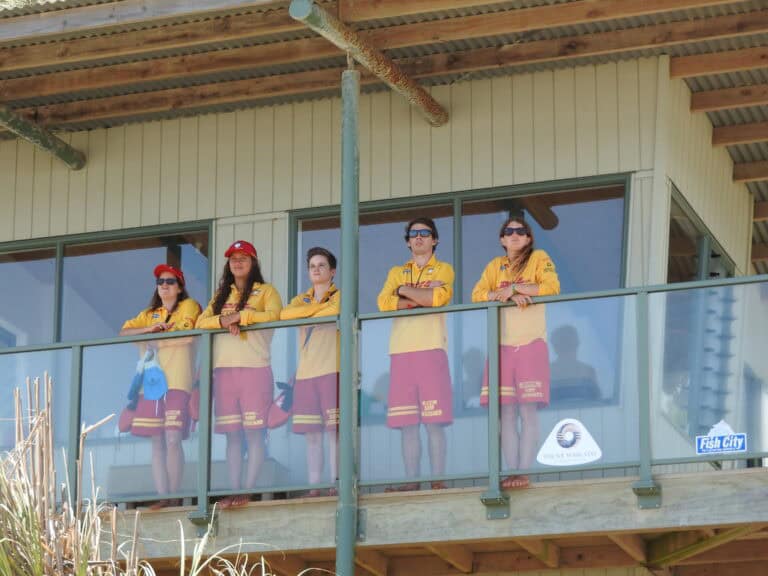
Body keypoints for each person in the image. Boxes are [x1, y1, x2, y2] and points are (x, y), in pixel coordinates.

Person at [472, 217, 560, 490]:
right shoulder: (494, 266)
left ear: (529, 238)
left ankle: (524, 471)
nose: (514, 235)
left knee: (528, 412)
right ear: (501, 239)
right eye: (508, 231)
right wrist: (509, 295)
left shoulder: (539, 257)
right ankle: (512, 472)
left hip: (531, 344)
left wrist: (512, 288)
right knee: (506, 413)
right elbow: (477, 294)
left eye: (520, 231)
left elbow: (551, 288)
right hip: (501, 346)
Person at [195, 240, 282, 508]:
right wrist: (223, 320)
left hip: (255, 368)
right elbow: (200, 322)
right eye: (233, 258)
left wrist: (243, 318)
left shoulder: (266, 290)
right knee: (232, 435)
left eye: (244, 257)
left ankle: (249, 489)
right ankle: (234, 490)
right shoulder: (222, 294)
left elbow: (276, 316)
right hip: (223, 371)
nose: (238, 261)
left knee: (255, 433)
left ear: (253, 262)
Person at [377, 217, 455, 491]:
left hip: (432, 349)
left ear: (434, 239)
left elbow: (437, 299)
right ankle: (412, 482)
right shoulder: (397, 271)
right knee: (408, 424)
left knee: (434, 423)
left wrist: (404, 294)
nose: (419, 237)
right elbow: (384, 303)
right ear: (408, 241)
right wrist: (415, 294)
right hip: (400, 353)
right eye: (413, 234)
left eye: (425, 233)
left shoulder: (444, 268)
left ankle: (437, 481)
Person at [120, 264, 201, 510]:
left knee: (173, 439)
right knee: (156, 441)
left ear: (180, 287)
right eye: (160, 281)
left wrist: (153, 339)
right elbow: (124, 333)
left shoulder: (189, 306)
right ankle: (163, 495)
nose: (164, 285)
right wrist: (150, 330)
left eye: (170, 281)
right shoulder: (149, 313)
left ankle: (175, 495)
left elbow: (187, 335)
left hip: (178, 382)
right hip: (151, 386)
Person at [280, 247, 340, 496]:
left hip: (332, 370)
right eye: (312, 266)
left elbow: (336, 311)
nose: (316, 269)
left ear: (332, 271)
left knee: (334, 433)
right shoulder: (302, 298)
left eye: (321, 265)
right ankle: (315, 486)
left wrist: (307, 315)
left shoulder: (340, 294)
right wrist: (315, 311)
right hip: (305, 375)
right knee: (312, 435)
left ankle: (336, 483)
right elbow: (285, 314)